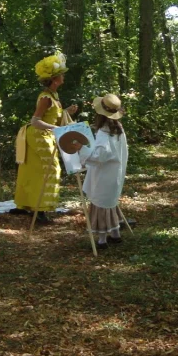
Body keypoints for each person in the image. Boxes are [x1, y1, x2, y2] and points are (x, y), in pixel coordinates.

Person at [12, 53, 77, 223]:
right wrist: (57, 128)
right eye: (61, 74)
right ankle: (40, 211)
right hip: (39, 136)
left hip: (45, 135)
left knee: (33, 170)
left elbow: (51, 116)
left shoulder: (53, 95)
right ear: (55, 79)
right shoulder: (46, 97)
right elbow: (36, 120)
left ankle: (26, 205)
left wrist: (66, 112)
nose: (64, 77)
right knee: (50, 170)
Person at [75, 93, 128, 250]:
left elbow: (100, 156)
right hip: (115, 172)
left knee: (100, 203)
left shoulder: (104, 133)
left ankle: (102, 240)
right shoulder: (118, 129)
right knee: (109, 202)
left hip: (105, 174)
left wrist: (81, 148)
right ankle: (116, 234)